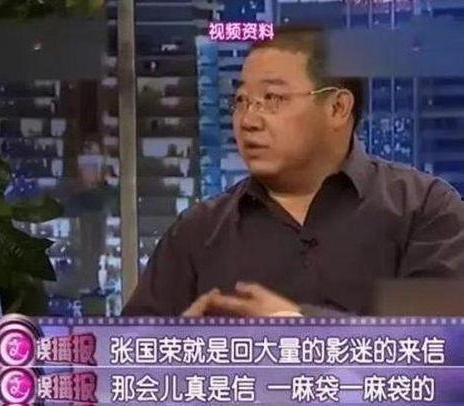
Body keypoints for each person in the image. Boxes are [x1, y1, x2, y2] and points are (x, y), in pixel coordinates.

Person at [123, 26, 464, 317]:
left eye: (272, 98)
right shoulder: (197, 232)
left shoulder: (423, 210)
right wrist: (179, 347)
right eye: (241, 101)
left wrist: (294, 327)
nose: (248, 121)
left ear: (337, 107)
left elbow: (439, 349)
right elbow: (124, 359)